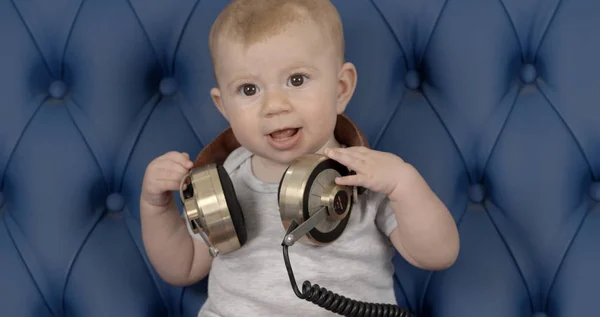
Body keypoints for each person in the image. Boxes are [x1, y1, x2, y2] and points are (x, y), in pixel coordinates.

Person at [140, 0, 460, 316]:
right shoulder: (223, 179)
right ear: (223, 107)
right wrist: (157, 207)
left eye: (296, 80)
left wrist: (404, 183)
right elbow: (182, 267)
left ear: (341, 89)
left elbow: (439, 254)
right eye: (249, 90)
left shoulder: (364, 174)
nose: (275, 106)